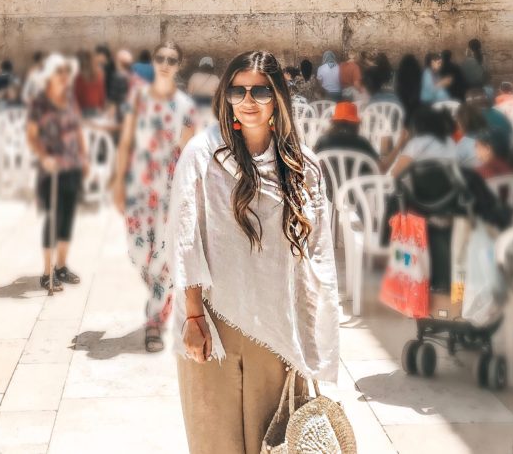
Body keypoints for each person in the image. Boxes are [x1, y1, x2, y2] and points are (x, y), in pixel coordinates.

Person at [169, 50, 339, 454]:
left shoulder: (302, 164)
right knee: (215, 440)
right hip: (214, 322)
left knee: (274, 441)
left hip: (277, 324)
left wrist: (312, 325)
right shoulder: (202, 154)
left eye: (260, 91)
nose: (248, 100)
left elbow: (317, 254)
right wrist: (193, 316)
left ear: (277, 97)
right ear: (225, 97)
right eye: (238, 91)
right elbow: (186, 236)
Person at [111, 42, 197, 352]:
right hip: (138, 186)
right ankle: (160, 299)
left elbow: (191, 149)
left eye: (171, 59)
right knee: (138, 254)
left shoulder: (185, 105)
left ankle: (155, 321)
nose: (164, 63)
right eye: (160, 58)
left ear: (178, 64)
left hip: (169, 190)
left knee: (163, 258)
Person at [27, 53, 90, 292]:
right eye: (60, 72)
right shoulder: (40, 103)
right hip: (51, 168)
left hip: (72, 165)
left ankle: (61, 266)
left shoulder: (70, 99)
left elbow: (78, 130)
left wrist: (84, 157)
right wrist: (44, 156)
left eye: (67, 72)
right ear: (50, 76)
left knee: (68, 217)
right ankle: (46, 271)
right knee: (54, 217)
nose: (65, 76)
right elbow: (32, 136)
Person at [388, 105, 458, 178]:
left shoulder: (416, 143)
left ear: (418, 126)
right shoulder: (451, 142)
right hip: (448, 187)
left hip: (420, 188)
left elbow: (395, 174)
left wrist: (400, 145)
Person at [314, 102, 378, 160]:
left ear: (334, 123)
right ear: (356, 124)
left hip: (327, 173)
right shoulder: (363, 143)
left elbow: (314, 163)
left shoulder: (323, 142)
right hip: (358, 173)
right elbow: (379, 167)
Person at [73, 50, 107, 117]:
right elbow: (102, 93)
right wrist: (102, 107)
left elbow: (77, 95)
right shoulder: (99, 74)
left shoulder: (79, 77)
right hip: (96, 109)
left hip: (83, 110)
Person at [395, 53, 423, 119]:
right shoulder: (419, 74)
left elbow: (398, 90)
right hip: (416, 106)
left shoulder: (400, 75)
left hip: (403, 105)